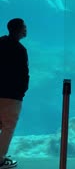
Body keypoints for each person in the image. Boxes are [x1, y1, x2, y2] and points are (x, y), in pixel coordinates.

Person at [0, 18, 29, 169]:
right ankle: (0, 159)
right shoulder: (20, 50)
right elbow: (24, 74)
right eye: (24, 27)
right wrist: (21, 92)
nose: (26, 30)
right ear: (18, 29)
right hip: (11, 96)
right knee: (8, 127)